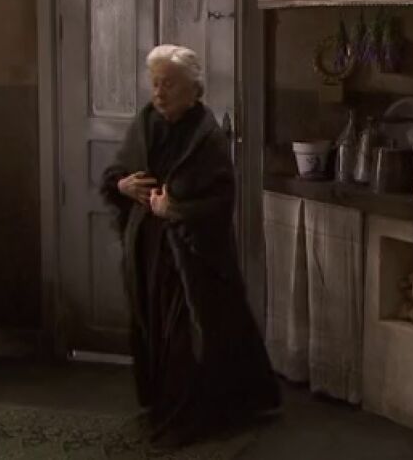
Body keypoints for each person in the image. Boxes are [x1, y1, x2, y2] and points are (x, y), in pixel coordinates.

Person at [101, 44, 280, 447]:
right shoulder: (145, 122)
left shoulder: (207, 137)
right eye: (155, 83)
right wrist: (122, 185)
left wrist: (176, 210)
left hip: (194, 256)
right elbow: (118, 172)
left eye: (168, 84)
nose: (158, 92)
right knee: (156, 330)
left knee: (188, 336)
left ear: (193, 90)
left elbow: (221, 200)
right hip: (149, 250)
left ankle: (190, 418)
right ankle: (164, 407)